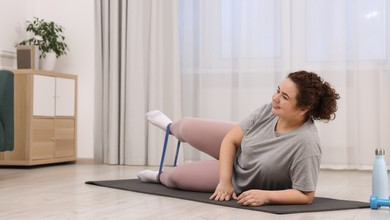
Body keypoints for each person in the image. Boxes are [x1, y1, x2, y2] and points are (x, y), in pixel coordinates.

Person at [137, 70, 340, 206]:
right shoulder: (271, 110)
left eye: (285, 97)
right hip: (241, 146)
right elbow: (230, 140)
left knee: (176, 177)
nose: (275, 98)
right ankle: (170, 127)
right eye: (278, 90)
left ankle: (158, 176)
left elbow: (306, 195)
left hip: (242, 177)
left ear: (303, 109)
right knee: (187, 125)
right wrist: (223, 181)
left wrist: (267, 196)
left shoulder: (306, 145)